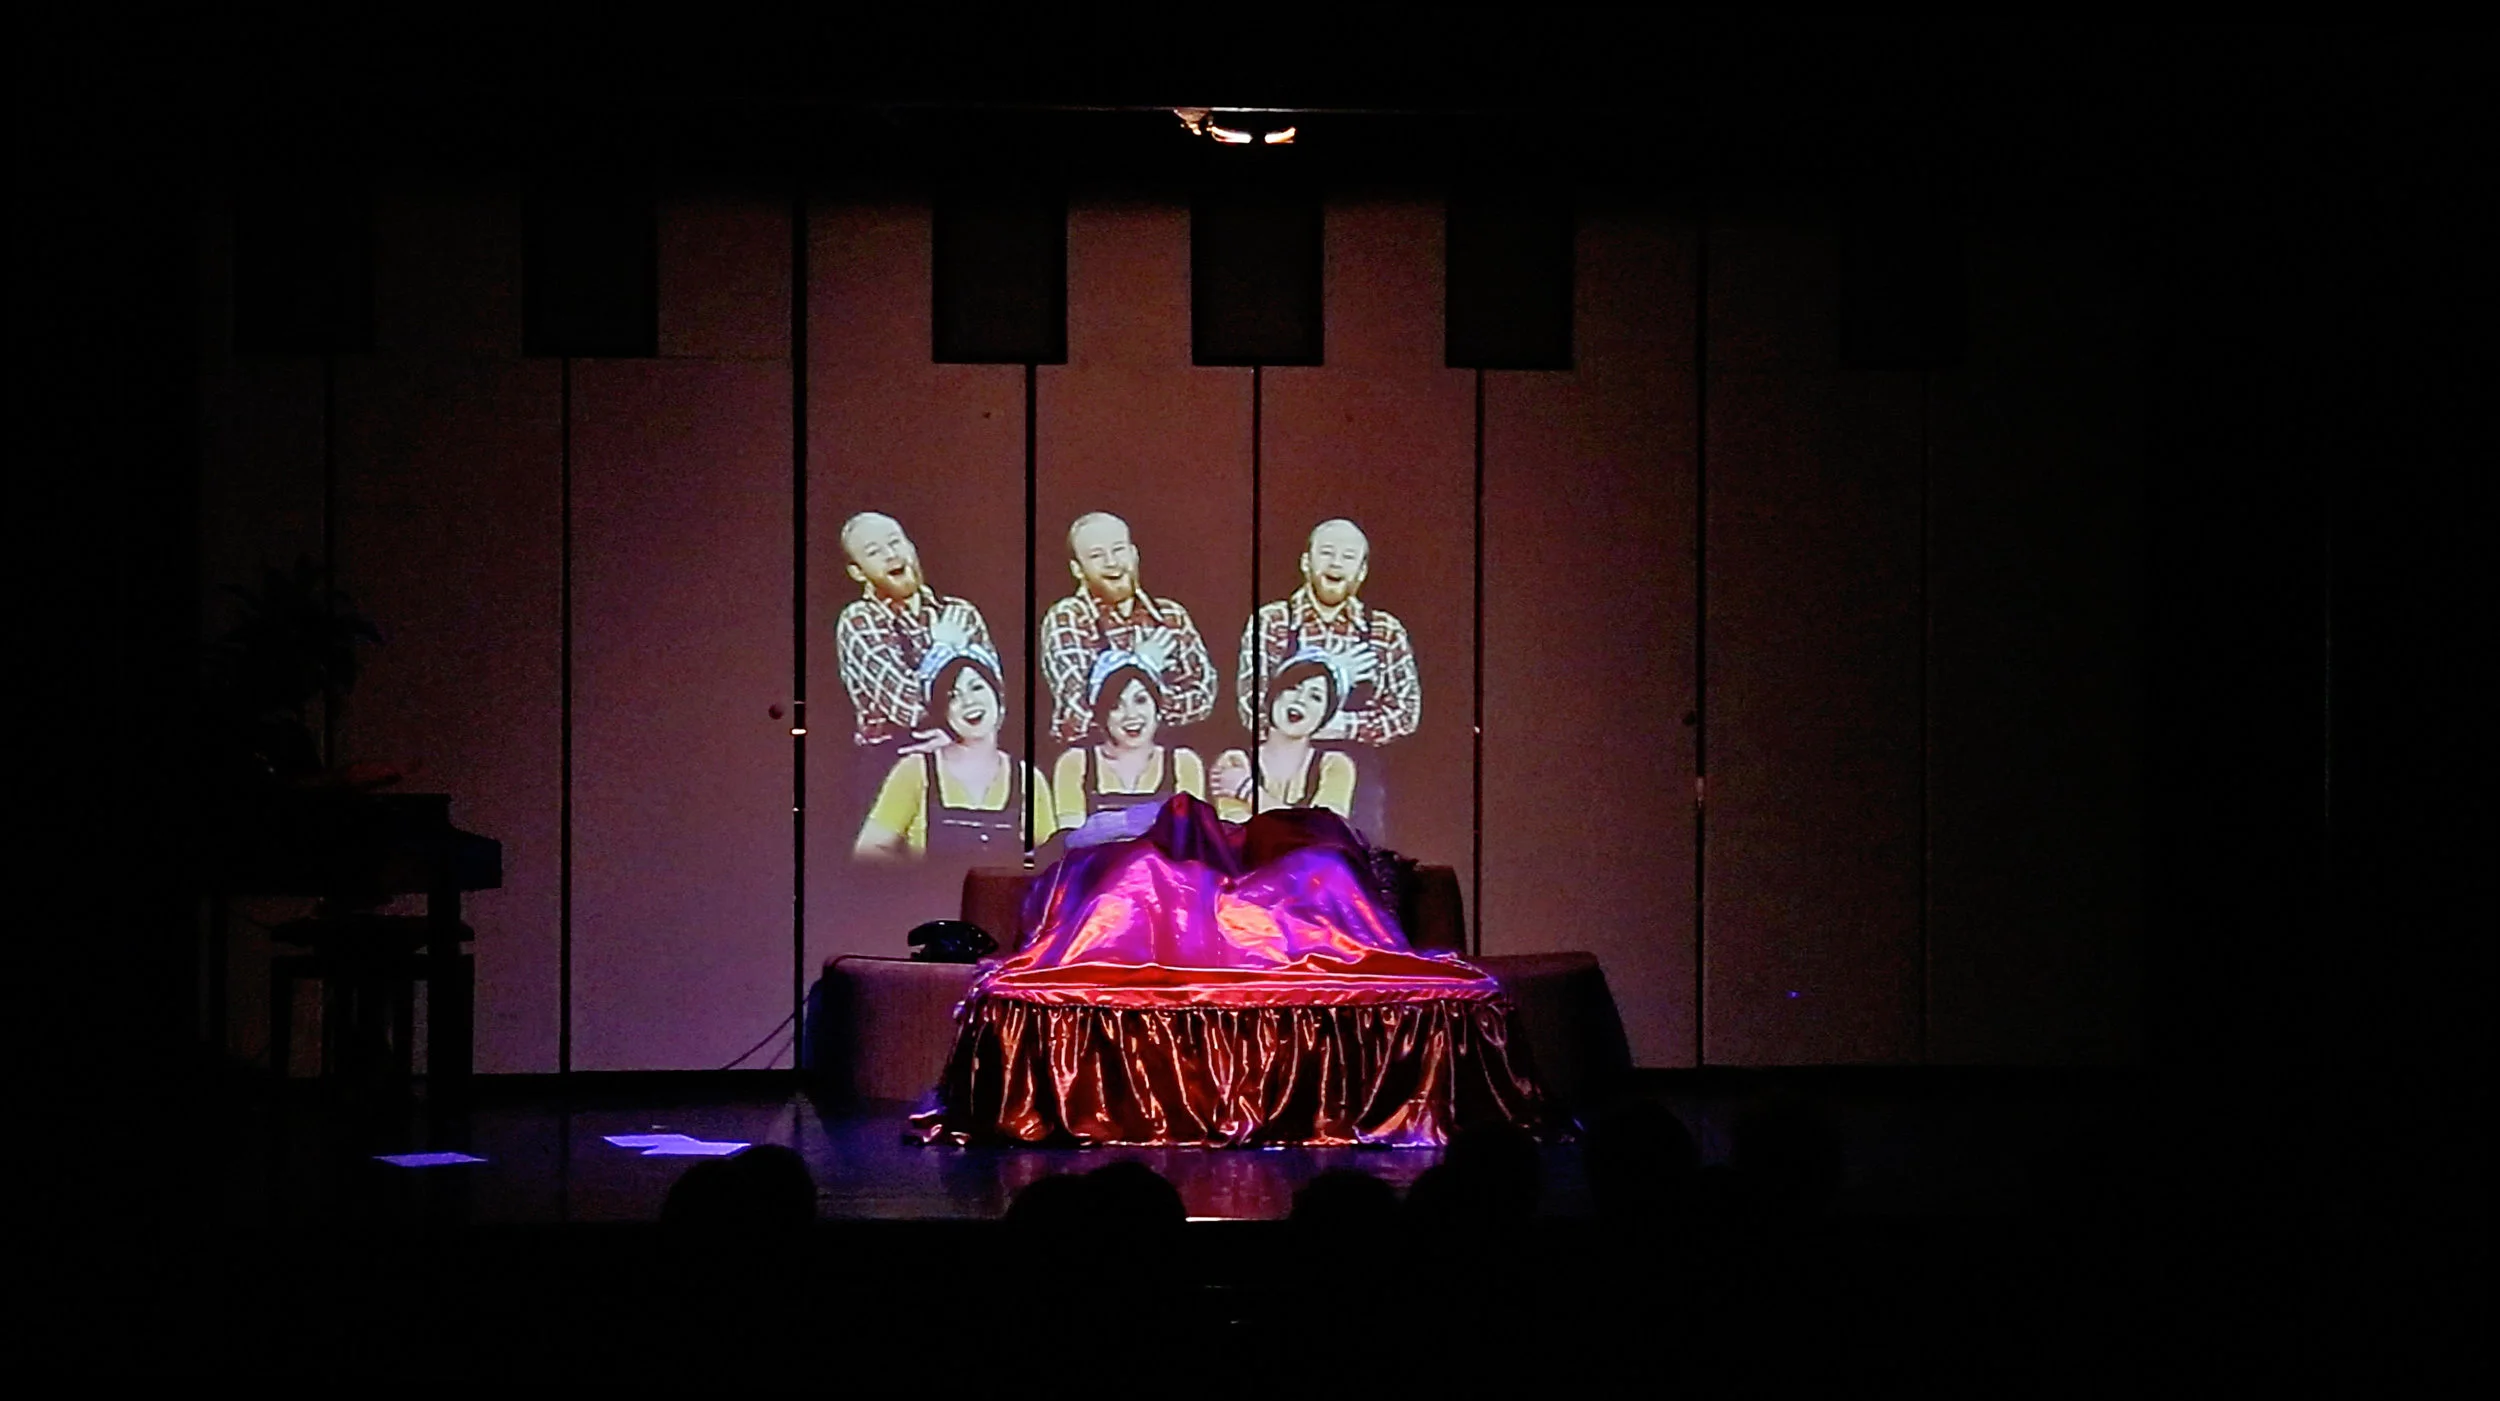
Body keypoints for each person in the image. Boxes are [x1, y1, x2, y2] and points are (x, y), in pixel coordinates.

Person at [832, 512, 997, 831]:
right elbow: (906, 706)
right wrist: (942, 648)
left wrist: (955, 737)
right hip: (895, 761)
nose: (890, 554)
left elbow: (994, 697)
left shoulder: (959, 612)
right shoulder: (860, 620)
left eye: (895, 542)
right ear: (857, 572)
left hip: (970, 758)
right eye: (874, 551)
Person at [854, 641, 1053, 861]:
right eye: (953, 696)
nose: (969, 701)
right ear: (941, 711)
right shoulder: (916, 771)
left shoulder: (1028, 780)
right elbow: (868, 851)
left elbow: (1052, 861)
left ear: (998, 695)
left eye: (976, 687)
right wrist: (917, 876)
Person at [1039, 512, 1216, 745]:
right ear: (1077, 569)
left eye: (1119, 550)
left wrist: (1115, 698)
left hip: (1166, 757)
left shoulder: (1171, 616)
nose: (1111, 562)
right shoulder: (1069, 617)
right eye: (1096, 555)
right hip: (1093, 759)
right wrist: (1141, 666)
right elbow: (1076, 717)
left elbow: (1203, 701)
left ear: (1134, 554)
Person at [1050, 650, 1211, 832]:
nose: (1131, 715)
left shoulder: (1183, 762)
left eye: (1140, 700)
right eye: (1116, 706)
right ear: (1102, 714)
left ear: (1157, 706)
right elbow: (1071, 838)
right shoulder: (1076, 763)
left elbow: (1189, 836)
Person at [1211, 649, 1357, 820]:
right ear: (1274, 695)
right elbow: (1240, 830)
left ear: (1326, 715)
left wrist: (1247, 789)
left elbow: (1324, 829)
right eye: (1293, 688)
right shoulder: (1235, 761)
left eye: (1315, 697)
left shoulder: (1335, 765)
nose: (1300, 700)